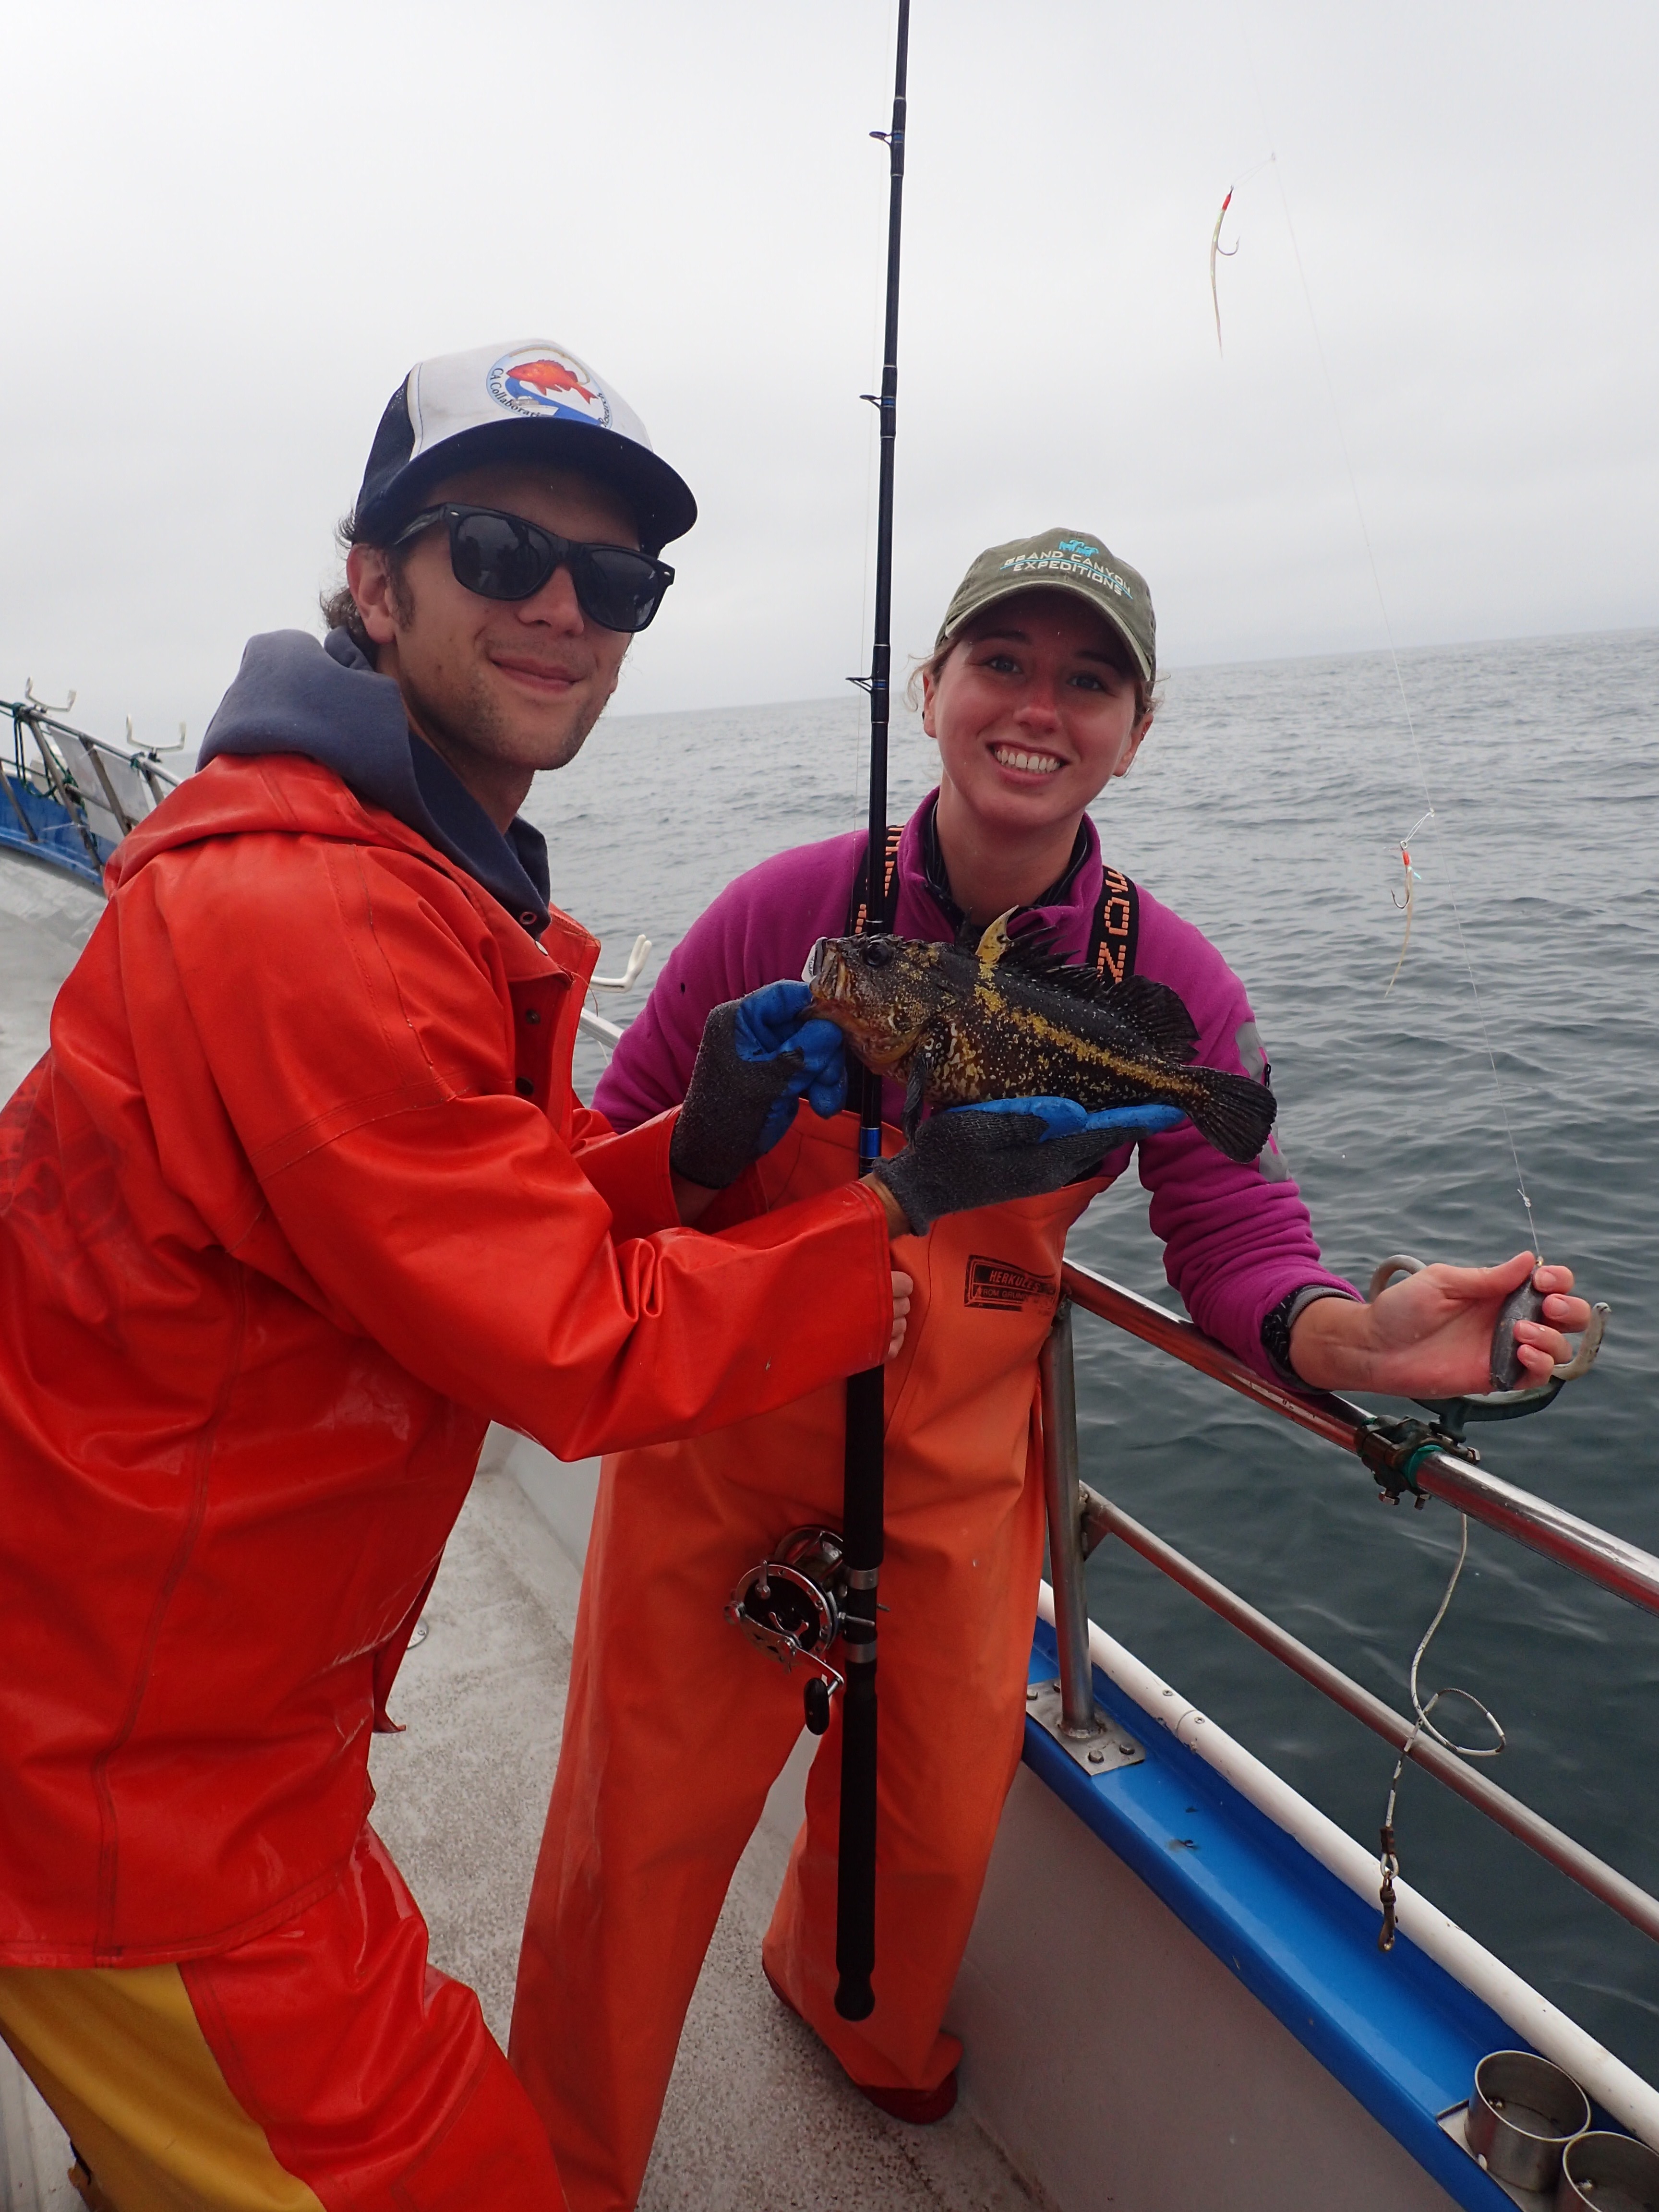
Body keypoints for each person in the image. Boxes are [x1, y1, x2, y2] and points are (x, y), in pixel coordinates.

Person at [0, 348, 1092, 2212]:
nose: (564, 608)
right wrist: (893, 1207)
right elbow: (569, 1349)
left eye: (622, 580)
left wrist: (682, 1151)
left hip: (208, 1720)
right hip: (122, 1787)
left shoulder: (394, 872)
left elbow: (427, 1234)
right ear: (375, 578)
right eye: (503, 548)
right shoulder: (320, 918)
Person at [508, 525, 1591, 2212]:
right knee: (622, 1863)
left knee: (930, 1835)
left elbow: (1235, 1240)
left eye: (1088, 679)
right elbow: (587, 1181)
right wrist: (715, 1126)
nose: (1039, 706)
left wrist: (1362, 1340)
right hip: (716, 1457)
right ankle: (556, 2175)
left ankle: (845, 2006)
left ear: (1136, 732)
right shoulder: (785, 911)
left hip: (956, 1491)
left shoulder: (1175, 981)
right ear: (931, 691)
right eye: (1001, 663)